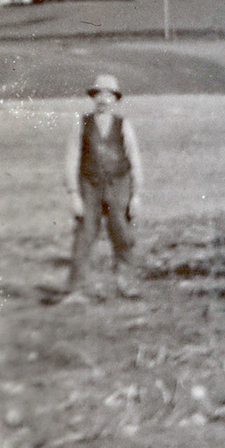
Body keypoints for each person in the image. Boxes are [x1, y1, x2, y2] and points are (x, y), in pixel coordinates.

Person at [62, 74, 144, 301]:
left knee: (123, 234)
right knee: (84, 233)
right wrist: (73, 193)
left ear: (115, 99)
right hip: (89, 186)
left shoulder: (123, 124)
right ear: (93, 97)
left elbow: (134, 158)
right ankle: (76, 288)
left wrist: (136, 194)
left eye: (109, 95)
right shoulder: (82, 123)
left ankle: (126, 284)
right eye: (99, 94)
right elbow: (71, 158)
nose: (103, 99)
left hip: (119, 185)